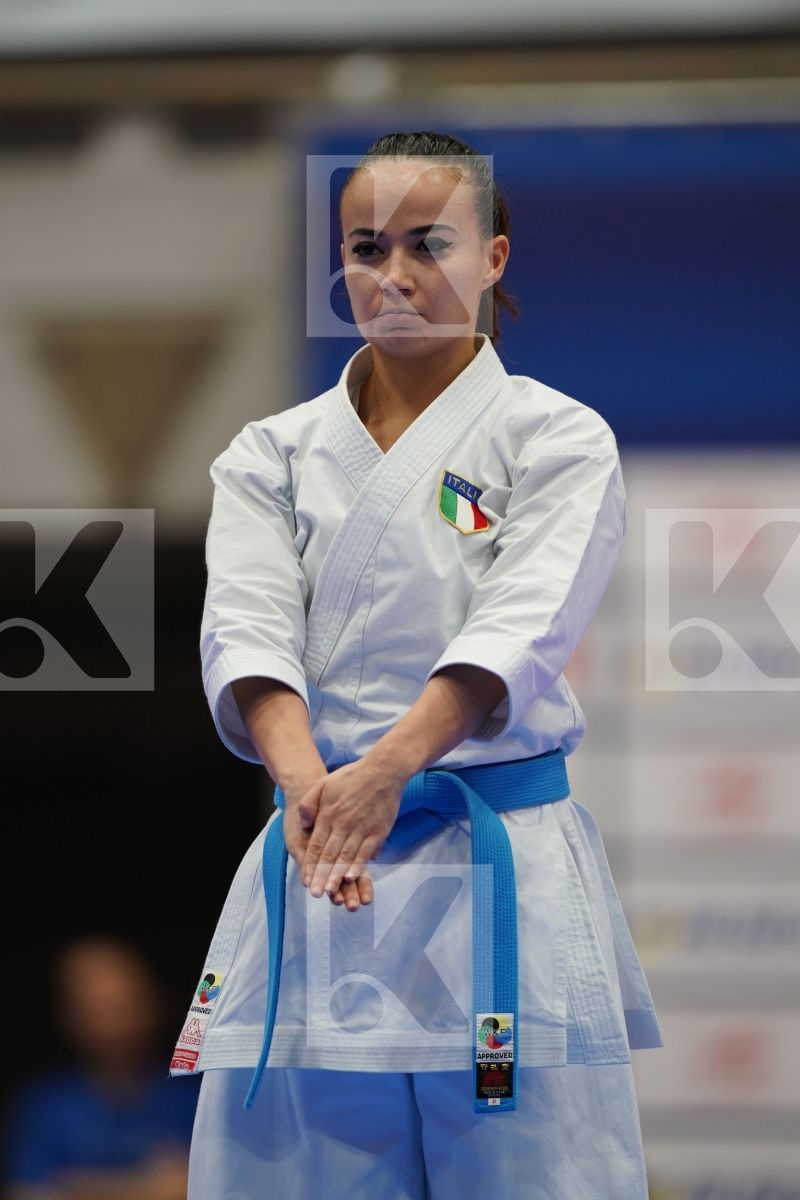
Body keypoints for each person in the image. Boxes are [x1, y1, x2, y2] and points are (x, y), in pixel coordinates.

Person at [171, 129, 663, 1199]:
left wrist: (386, 771)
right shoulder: (270, 452)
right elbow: (248, 631)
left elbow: (519, 630)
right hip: (316, 866)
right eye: (363, 246)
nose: (390, 275)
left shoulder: (555, 438)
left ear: (491, 256)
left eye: (425, 244)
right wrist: (313, 793)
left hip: (493, 873)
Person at [4, 934, 201, 1200]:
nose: (115, 1025)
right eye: (97, 1009)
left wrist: (81, 1186)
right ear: (69, 1015)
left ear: (153, 1004)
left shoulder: (193, 1098)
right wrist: (152, 1187)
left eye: (124, 1006)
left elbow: (198, 1186)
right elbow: (27, 1192)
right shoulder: (45, 1104)